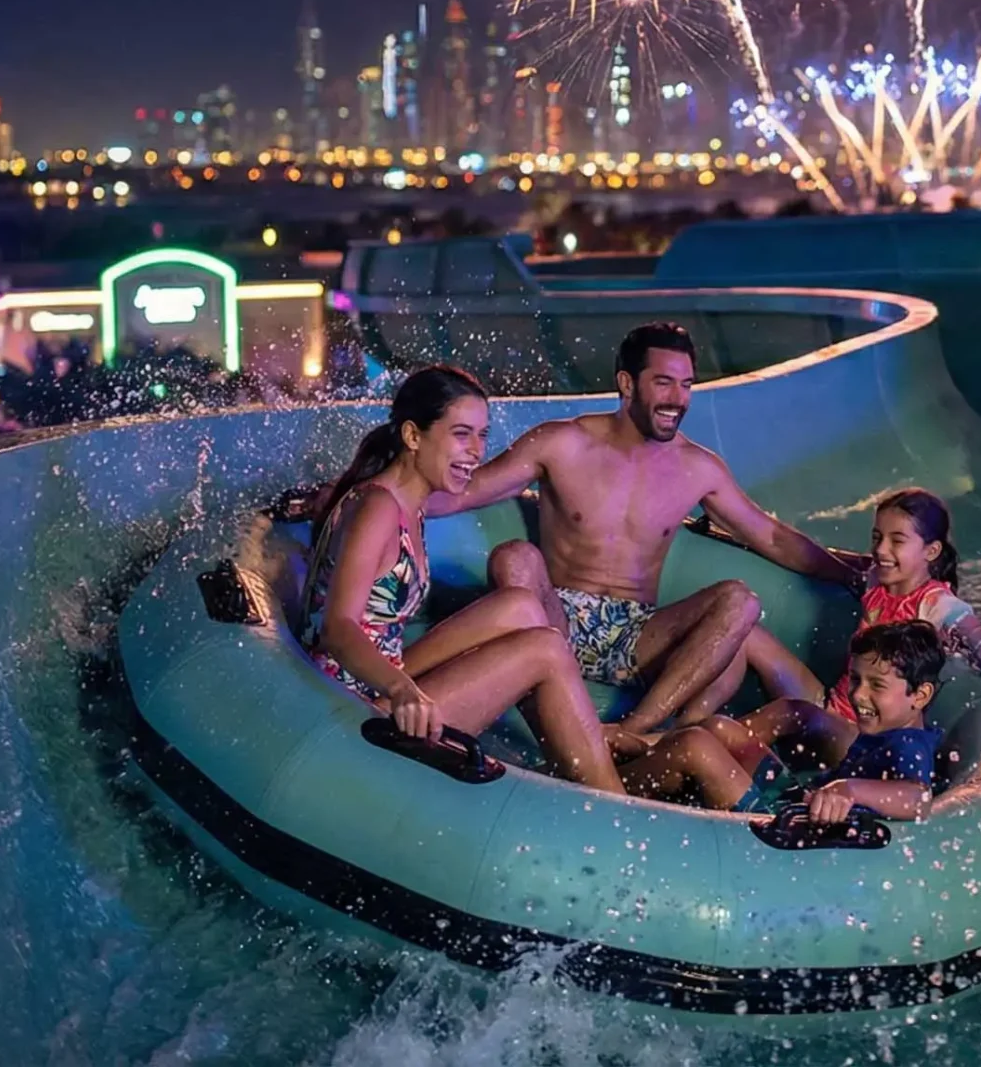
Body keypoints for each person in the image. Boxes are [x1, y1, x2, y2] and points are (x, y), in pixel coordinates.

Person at [431, 322, 855, 737]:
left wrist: (849, 574)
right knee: (514, 557)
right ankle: (555, 705)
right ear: (627, 383)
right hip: (553, 618)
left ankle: (634, 731)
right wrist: (383, 498)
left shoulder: (697, 467)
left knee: (740, 602)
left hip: (637, 636)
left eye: (687, 385)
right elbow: (467, 492)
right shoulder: (561, 443)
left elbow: (772, 536)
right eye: (664, 383)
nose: (678, 399)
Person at [303, 365, 622, 791]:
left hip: (380, 674)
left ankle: (580, 743)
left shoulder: (408, 502)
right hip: (352, 705)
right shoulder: (378, 508)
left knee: (522, 606)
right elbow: (338, 630)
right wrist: (403, 691)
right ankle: (614, 800)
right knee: (544, 648)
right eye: (461, 434)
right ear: (414, 437)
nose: (476, 451)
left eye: (482, 435)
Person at [752, 487, 981, 740]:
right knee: (748, 635)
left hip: (867, 736)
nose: (881, 550)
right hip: (835, 706)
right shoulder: (876, 579)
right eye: (876, 538)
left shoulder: (939, 607)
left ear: (931, 551)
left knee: (791, 714)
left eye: (896, 541)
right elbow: (829, 560)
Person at [619, 620, 947, 821]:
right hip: (794, 798)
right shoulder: (886, 732)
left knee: (695, 746)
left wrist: (848, 790)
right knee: (719, 728)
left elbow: (917, 799)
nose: (859, 695)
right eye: (856, 680)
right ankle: (642, 762)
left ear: (920, 695)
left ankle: (604, 790)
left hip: (779, 830)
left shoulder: (908, 745)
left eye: (876, 685)